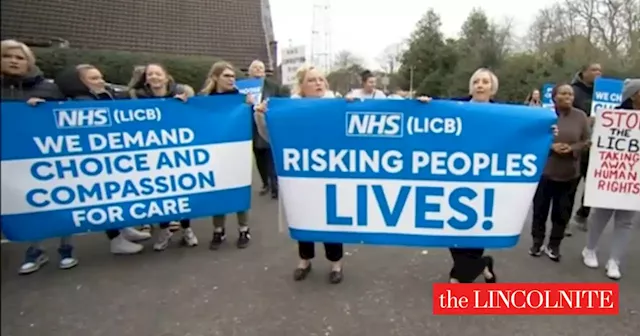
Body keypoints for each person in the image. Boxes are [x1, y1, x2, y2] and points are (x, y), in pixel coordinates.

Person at [254, 65, 345, 284]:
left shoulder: (338, 105)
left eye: (322, 79)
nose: (318, 83)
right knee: (303, 217)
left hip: (331, 173)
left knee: (331, 220)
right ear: (302, 86)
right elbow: (269, 135)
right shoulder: (288, 110)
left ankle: (336, 263)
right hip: (301, 175)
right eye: (312, 80)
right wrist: (262, 116)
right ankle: (305, 260)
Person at [54, 64, 152, 255]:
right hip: (94, 159)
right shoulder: (77, 101)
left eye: (100, 77)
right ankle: (116, 240)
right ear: (80, 82)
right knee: (105, 197)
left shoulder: (104, 95)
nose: (100, 81)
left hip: (112, 155)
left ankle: (124, 229)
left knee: (118, 196)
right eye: (94, 79)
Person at [416, 68, 502, 283]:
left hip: (485, 180)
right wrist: (426, 104)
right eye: (476, 81)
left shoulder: (505, 113)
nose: (480, 85)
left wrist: (548, 131)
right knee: (452, 226)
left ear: (493, 88)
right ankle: (481, 264)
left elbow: (527, 131)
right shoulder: (456, 106)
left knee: (475, 227)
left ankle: (460, 274)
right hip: (454, 178)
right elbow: (435, 110)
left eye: (485, 82)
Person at [1, 39, 76, 274]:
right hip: (8, 159)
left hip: (43, 157)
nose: (14, 61)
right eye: (8, 56)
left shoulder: (48, 88)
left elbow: (65, 120)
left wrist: (40, 112)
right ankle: (36, 250)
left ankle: (63, 248)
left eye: (19, 57)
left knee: (53, 198)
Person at [128, 63, 198, 251]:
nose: (154, 77)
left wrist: (186, 103)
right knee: (161, 192)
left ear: (166, 77)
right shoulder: (137, 97)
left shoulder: (181, 93)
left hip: (178, 151)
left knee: (182, 191)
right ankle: (165, 229)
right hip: (152, 153)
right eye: (150, 74)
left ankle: (186, 229)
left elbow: (197, 115)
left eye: (158, 74)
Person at [581, 78, 640, 280]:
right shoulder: (611, 118)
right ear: (634, 95)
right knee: (601, 215)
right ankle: (590, 249)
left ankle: (615, 260)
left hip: (633, 177)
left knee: (626, 221)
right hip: (611, 175)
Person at [529, 83, 590, 261]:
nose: (568, 96)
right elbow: (533, 138)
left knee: (562, 212)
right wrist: (550, 146)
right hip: (545, 172)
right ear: (554, 97)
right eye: (563, 93)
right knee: (540, 210)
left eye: (570, 94)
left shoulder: (580, 117)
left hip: (569, 173)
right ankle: (537, 242)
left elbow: (586, 141)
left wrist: (572, 148)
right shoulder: (544, 115)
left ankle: (554, 245)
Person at [200, 61, 253, 250]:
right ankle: (218, 230)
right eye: (226, 76)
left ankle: (244, 229)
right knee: (218, 190)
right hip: (214, 152)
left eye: (233, 76)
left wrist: (250, 107)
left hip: (237, 150)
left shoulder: (241, 99)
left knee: (238, 187)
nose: (231, 80)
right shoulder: (204, 100)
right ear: (215, 77)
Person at [566, 63, 602, 236]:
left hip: (599, 145)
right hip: (578, 144)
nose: (598, 73)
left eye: (600, 70)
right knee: (571, 186)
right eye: (594, 70)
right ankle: (563, 220)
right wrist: (585, 121)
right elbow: (566, 114)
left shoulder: (607, 93)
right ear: (583, 72)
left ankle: (583, 213)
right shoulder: (574, 91)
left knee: (593, 185)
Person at [247, 60, 287, 199]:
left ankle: (275, 186)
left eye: (261, 68)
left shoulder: (273, 86)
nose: (258, 70)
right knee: (259, 157)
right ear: (250, 72)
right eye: (255, 68)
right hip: (251, 126)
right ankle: (265, 183)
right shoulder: (243, 88)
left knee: (271, 157)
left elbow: (281, 103)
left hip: (267, 125)